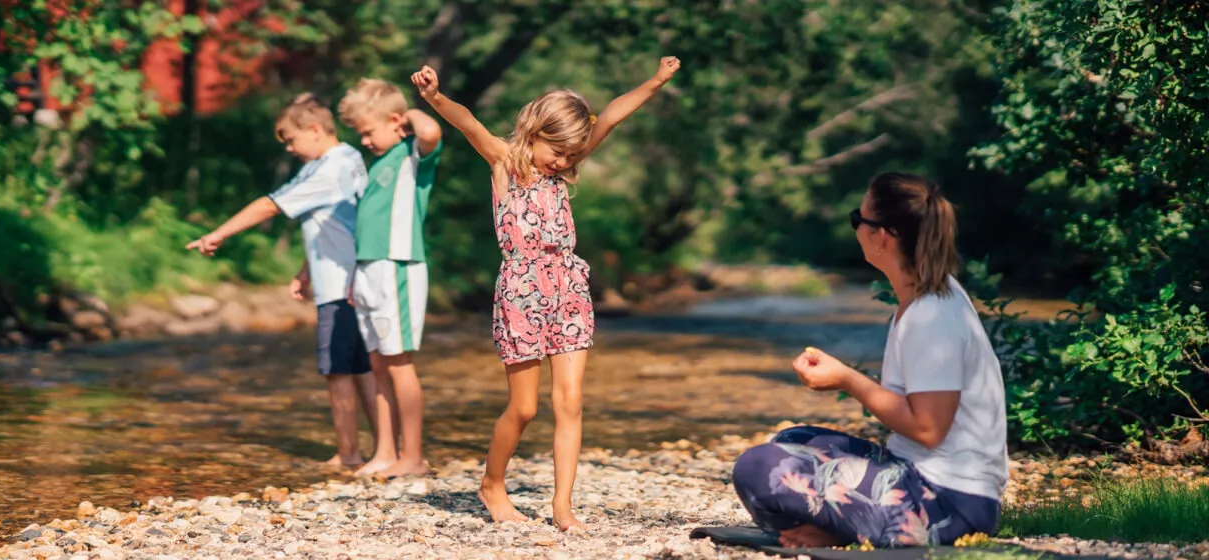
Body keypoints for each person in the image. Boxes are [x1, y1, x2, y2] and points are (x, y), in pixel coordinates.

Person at [413, 56, 682, 531]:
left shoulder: (564, 169)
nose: (563, 161)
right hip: (521, 289)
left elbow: (614, 114)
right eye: (556, 151)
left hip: (569, 286)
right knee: (524, 408)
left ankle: (562, 506)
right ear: (533, 130)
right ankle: (492, 483)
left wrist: (656, 82)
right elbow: (468, 122)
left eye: (573, 155)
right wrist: (434, 98)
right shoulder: (503, 161)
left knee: (571, 401)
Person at [731, 172, 1008, 548]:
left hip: (950, 506)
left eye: (857, 219)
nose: (856, 227)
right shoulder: (925, 297)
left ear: (882, 235)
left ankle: (844, 534)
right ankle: (840, 531)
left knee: (758, 468)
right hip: (920, 476)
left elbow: (929, 429)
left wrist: (848, 380)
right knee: (793, 440)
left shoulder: (932, 316)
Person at [186, 93, 378, 468]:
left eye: (291, 140)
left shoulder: (327, 168)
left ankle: (349, 454)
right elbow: (336, 223)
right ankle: (386, 450)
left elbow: (268, 205)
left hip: (339, 288)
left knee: (338, 371)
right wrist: (306, 269)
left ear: (316, 130)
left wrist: (218, 234)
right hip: (353, 281)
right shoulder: (349, 158)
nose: (290, 148)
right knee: (363, 369)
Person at [335, 78, 444, 478]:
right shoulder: (378, 163)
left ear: (396, 122)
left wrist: (409, 116)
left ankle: (412, 455)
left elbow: (431, 130)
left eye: (368, 131)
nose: (364, 140)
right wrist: (356, 277)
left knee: (399, 364)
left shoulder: (411, 154)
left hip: (398, 266)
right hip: (370, 269)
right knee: (379, 363)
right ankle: (385, 451)